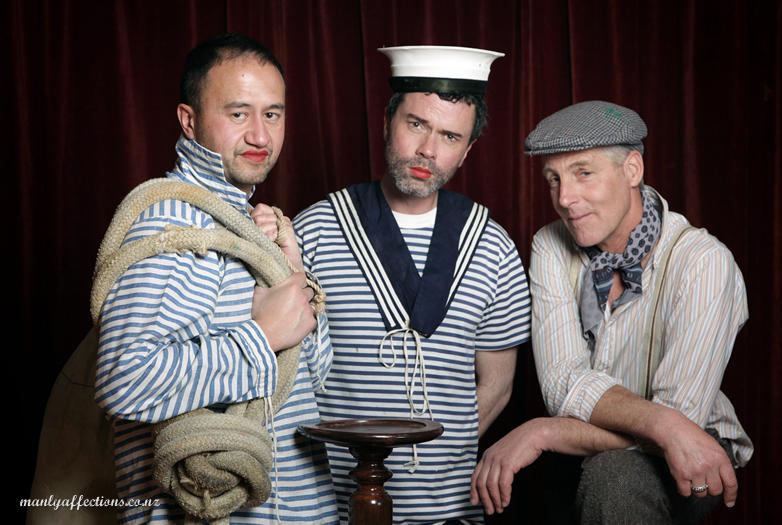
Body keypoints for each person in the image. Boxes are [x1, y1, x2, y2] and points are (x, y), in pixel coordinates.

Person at [94, 33, 338, 524]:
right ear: (189, 121)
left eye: (272, 114)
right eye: (238, 113)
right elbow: (123, 381)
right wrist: (261, 335)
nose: (261, 136)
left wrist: (291, 268)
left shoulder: (252, 226)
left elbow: (314, 377)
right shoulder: (172, 223)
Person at [470, 100, 752, 524]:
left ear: (632, 170)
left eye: (584, 173)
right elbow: (561, 383)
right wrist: (662, 423)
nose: (565, 198)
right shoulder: (550, 244)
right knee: (512, 492)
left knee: (614, 477)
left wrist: (543, 431)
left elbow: (682, 420)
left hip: (698, 442)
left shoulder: (703, 260)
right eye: (553, 179)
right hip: (609, 438)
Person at [293, 46, 532, 524]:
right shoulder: (313, 230)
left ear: (468, 150)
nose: (428, 149)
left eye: (450, 136)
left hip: (449, 510)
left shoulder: (493, 245)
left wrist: (438, 461)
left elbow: (498, 383)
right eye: (416, 124)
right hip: (326, 507)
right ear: (387, 123)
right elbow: (285, 377)